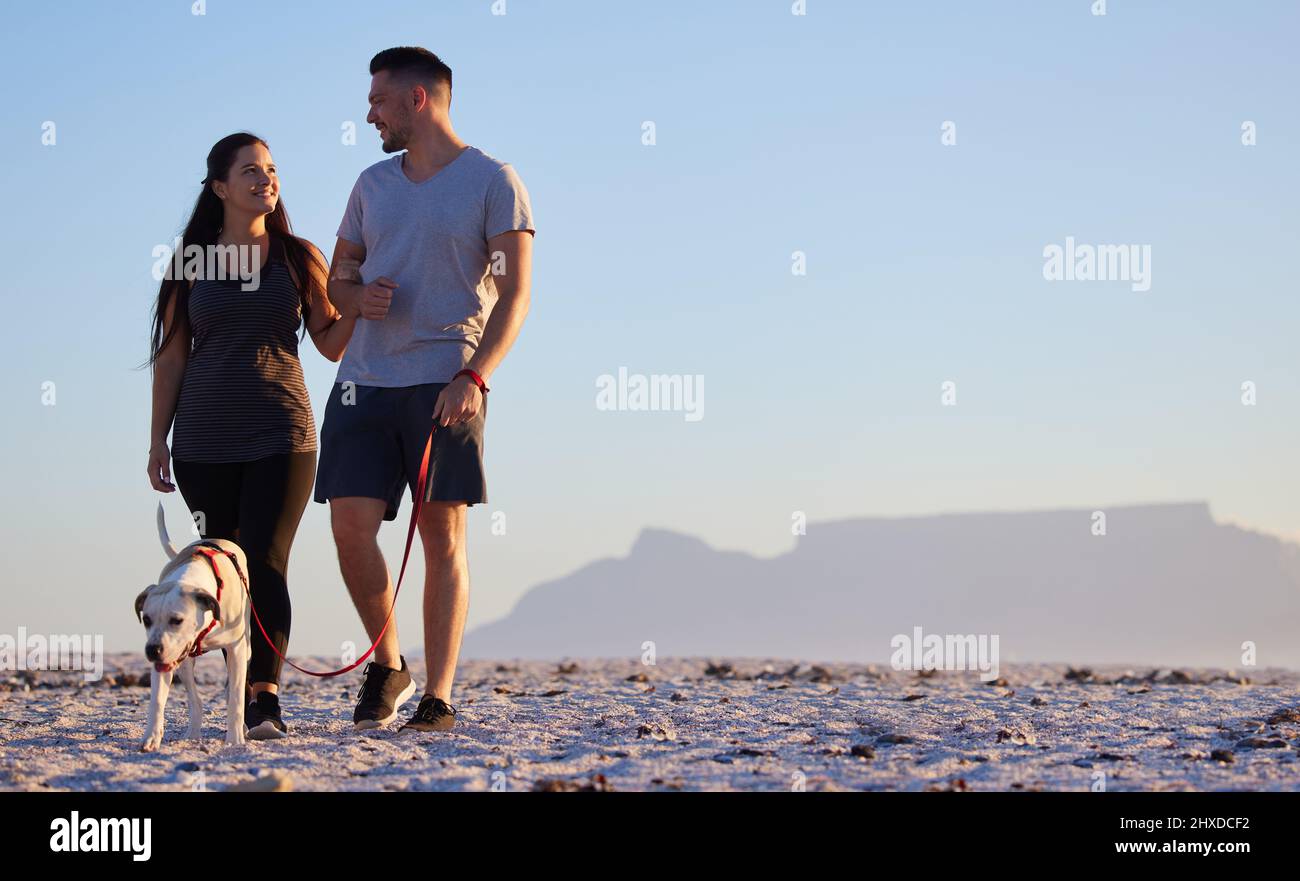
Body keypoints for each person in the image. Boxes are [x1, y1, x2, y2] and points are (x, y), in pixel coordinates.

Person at [315, 46, 535, 732]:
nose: (369, 112)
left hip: (446, 380)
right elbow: (337, 279)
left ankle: (437, 693)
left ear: (418, 100)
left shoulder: (493, 181)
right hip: (363, 384)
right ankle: (389, 664)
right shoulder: (370, 185)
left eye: (379, 100)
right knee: (349, 528)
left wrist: (476, 375)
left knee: (442, 535)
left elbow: (516, 293)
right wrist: (356, 298)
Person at [146, 132, 356, 739]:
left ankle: (265, 700)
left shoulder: (297, 257)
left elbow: (329, 342)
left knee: (265, 561)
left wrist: (362, 310)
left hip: (283, 434)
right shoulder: (191, 262)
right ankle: (222, 683)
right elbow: (172, 358)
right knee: (219, 570)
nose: (267, 179)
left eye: (272, 169)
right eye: (251, 171)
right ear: (220, 188)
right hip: (203, 443)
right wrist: (158, 441)